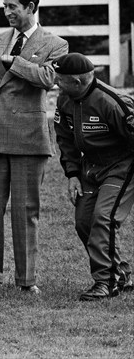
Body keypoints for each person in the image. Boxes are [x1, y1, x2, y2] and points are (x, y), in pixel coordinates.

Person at [0, 0, 68, 294]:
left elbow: (47, 78)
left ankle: (26, 281)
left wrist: (16, 62)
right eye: (4, 6)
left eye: (13, 6)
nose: (7, 11)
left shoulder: (56, 44)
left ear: (31, 6)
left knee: (25, 212)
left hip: (30, 139)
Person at [53, 52, 134, 301]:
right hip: (90, 169)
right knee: (84, 221)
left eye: (59, 80)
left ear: (77, 82)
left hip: (121, 167)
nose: (55, 83)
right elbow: (65, 139)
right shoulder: (64, 100)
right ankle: (120, 274)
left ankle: (106, 283)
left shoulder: (112, 102)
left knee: (103, 218)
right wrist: (73, 174)